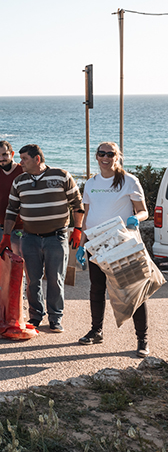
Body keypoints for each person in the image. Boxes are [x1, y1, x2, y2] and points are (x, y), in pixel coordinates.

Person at [76, 142, 150, 357]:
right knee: (97, 289)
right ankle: (96, 331)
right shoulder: (91, 183)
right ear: (97, 156)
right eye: (102, 153)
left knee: (133, 291)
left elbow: (144, 211)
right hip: (96, 245)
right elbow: (87, 215)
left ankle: (142, 338)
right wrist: (82, 245)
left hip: (121, 245)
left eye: (110, 154)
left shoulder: (129, 181)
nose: (105, 157)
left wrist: (135, 218)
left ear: (118, 157)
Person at [1, 144, 84, 333]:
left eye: (24, 159)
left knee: (55, 278)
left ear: (37, 159)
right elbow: (11, 210)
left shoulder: (61, 176)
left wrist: (77, 229)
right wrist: (6, 235)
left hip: (56, 237)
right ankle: (36, 316)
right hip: (29, 238)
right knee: (32, 279)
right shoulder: (19, 182)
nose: (20, 163)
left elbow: (77, 205)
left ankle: (55, 318)